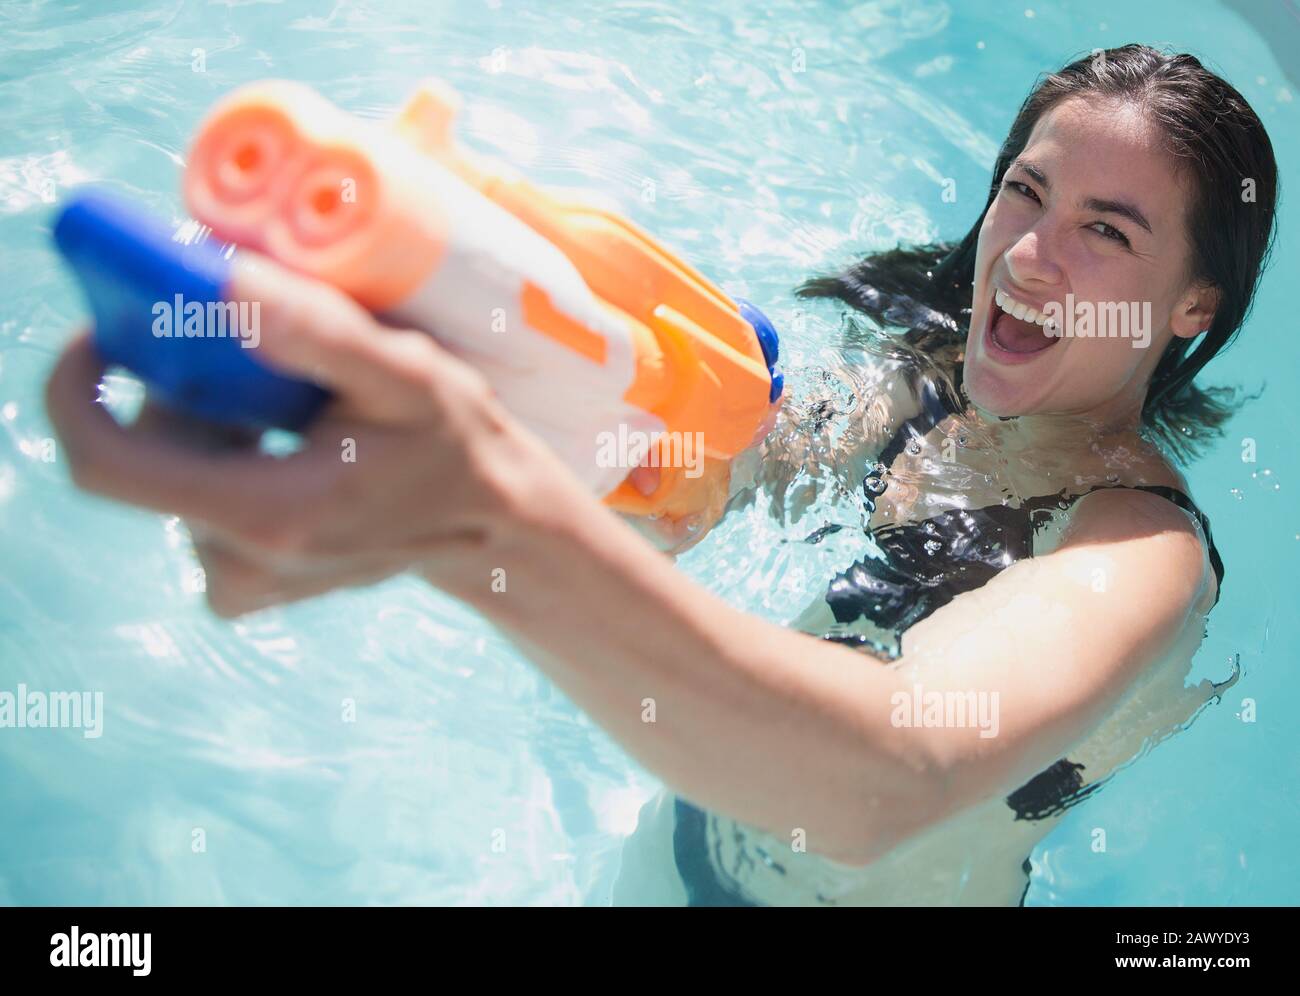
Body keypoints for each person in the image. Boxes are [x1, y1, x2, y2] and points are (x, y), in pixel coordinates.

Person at [45, 45, 1277, 905]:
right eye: (1026, 191)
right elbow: (686, 487)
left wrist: (480, 520)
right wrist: (454, 355)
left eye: (1105, 233)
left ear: (1191, 309)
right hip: (686, 846)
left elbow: (884, 779)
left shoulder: (1137, 554)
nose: (1028, 255)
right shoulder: (927, 389)